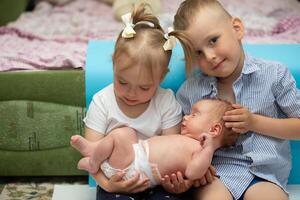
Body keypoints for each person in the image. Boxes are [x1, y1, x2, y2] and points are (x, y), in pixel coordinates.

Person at [171, 0, 300, 200]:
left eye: (213, 40)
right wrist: (192, 169)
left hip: (265, 175)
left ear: (237, 29)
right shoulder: (191, 90)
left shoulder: (274, 74)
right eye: (198, 53)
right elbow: (181, 139)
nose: (210, 56)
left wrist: (254, 122)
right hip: (216, 173)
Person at [80, 3, 210, 200]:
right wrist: (109, 184)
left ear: (161, 78)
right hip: (116, 179)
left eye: (144, 87)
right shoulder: (102, 102)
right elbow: (91, 155)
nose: (131, 93)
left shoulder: (166, 102)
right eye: (122, 82)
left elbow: (172, 151)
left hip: (156, 180)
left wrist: (177, 184)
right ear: (114, 64)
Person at [72, 99, 239, 188]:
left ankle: (93, 162)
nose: (186, 117)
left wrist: (209, 149)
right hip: (134, 155)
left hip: (134, 169)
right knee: (126, 132)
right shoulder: (188, 141)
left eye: (194, 115)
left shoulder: (201, 152)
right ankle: (94, 151)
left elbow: (193, 172)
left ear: (214, 130)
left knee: (121, 135)